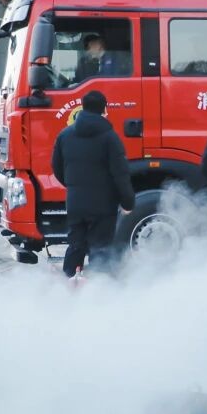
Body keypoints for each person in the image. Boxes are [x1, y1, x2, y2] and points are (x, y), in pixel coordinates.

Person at [52, 90, 135, 278]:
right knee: (101, 249)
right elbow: (120, 174)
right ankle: (99, 292)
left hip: (75, 203)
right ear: (104, 109)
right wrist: (127, 202)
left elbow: (56, 167)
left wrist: (73, 185)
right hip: (103, 205)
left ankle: (66, 288)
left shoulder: (65, 135)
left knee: (76, 245)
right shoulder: (110, 138)